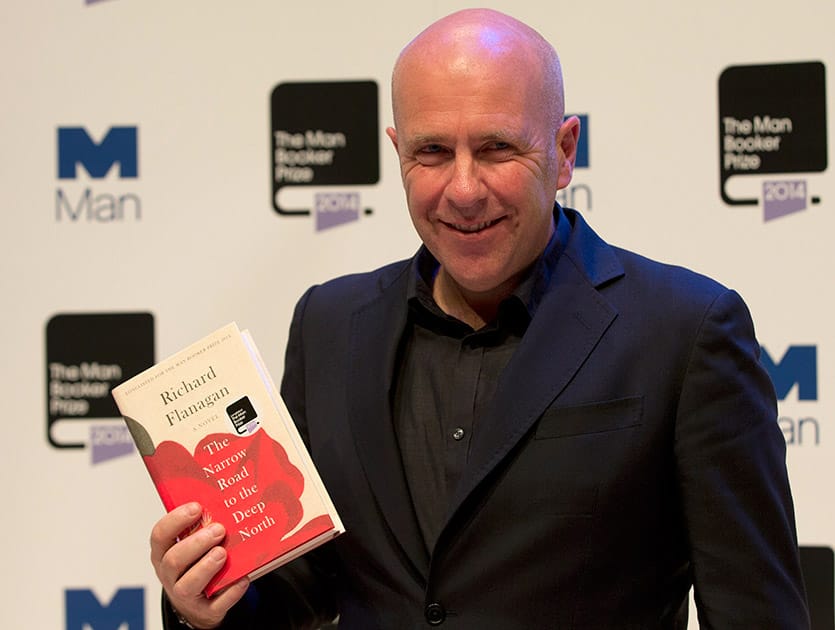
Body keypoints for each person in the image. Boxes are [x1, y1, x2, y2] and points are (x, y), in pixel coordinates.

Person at [150, 8, 810, 629]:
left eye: (495, 147)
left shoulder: (685, 332)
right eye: (432, 152)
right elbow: (299, 590)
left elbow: (755, 611)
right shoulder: (328, 323)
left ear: (563, 150)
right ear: (396, 150)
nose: (463, 190)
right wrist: (204, 603)